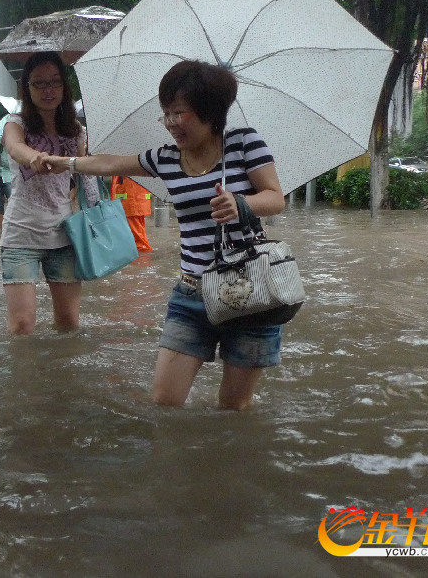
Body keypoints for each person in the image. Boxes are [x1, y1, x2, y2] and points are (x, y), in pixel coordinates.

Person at [45, 59, 286, 410]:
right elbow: (112, 163)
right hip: (191, 292)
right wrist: (64, 162)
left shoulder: (245, 143)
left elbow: (275, 198)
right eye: (166, 114)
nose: (170, 123)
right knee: (164, 401)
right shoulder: (167, 158)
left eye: (179, 113)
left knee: (233, 409)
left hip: (249, 290)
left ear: (210, 111)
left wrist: (240, 204)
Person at [0, 51, 87, 334]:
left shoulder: (77, 132)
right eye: (39, 83)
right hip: (19, 235)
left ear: (64, 86)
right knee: (22, 325)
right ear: (27, 88)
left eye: (55, 82)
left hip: (64, 235)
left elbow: (84, 176)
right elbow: (15, 147)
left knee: (69, 324)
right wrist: (33, 157)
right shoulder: (16, 123)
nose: (48, 90)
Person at [111, 175, 153, 251]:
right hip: (137, 200)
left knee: (138, 239)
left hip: (131, 201)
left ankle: (141, 257)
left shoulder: (125, 165)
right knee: (138, 231)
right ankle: (142, 254)